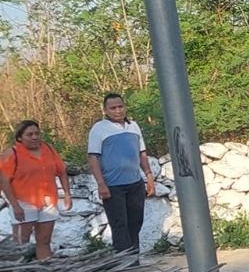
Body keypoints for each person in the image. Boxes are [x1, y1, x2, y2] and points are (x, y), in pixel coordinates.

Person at [87, 93, 155, 255]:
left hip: (135, 184)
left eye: (120, 107)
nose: (117, 111)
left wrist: (149, 177)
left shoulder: (134, 126)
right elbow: (93, 157)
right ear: (105, 110)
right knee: (119, 225)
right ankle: (125, 264)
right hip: (113, 186)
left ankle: (134, 260)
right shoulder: (99, 129)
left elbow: (142, 153)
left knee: (135, 223)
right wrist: (101, 184)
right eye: (113, 108)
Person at [0, 120, 72, 260]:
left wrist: (67, 194)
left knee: (44, 241)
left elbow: (62, 171)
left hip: (48, 201)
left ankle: (45, 271)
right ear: (20, 137)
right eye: (29, 134)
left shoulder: (48, 149)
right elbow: (4, 181)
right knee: (21, 242)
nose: (34, 137)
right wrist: (15, 206)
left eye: (37, 134)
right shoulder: (12, 153)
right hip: (23, 202)